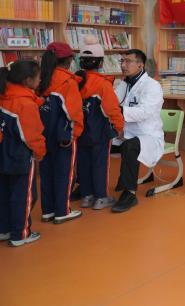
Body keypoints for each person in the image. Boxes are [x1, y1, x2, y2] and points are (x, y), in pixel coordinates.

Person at [75, 36, 125, 210]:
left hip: (80, 131)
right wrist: (119, 127)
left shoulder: (76, 81)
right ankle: (101, 197)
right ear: (101, 62)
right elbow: (112, 109)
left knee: (83, 163)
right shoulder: (103, 84)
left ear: (81, 62)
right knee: (100, 164)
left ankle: (86, 196)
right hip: (99, 132)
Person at [111, 49, 164, 213]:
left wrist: (118, 111)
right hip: (126, 132)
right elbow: (113, 102)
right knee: (96, 141)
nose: (123, 65)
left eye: (128, 61)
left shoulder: (152, 86)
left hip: (148, 136)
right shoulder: (124, 84)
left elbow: (144, 112)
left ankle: (130, 193)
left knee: (129, 146)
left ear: (140, 65)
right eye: (122, 61)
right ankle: (87, 186)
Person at [0, 60, 46, 246]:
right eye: (38, 77)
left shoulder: (4, 95)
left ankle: (4, 230)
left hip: (3, 154)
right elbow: (32, 135)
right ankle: (21, 234)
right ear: (28, 80)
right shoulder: (25, 104)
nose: (40, 80)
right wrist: (40, 153)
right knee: (24, 195)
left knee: (4, 193)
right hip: (20, 157)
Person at [38, 42, 84, 224]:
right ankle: (62, 211)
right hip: (63, 136)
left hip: (43, 134)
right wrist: (75, 134)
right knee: (64, 173)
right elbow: (74, 113)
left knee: (46, 172)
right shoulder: (68, 82)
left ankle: (48, 211)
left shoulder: (40, 79)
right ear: (69, 60)